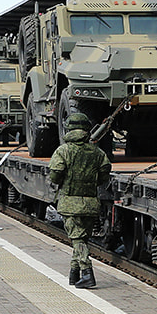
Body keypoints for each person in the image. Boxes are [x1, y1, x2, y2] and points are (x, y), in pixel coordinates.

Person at [48, 112, 111, 288]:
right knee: (82, 239)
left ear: (68, 129)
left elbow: (55, 175)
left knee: (77, 239)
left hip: (70, 202)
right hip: (90, 202)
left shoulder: (63, 150)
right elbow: (105, 171)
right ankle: (74, 273)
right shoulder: (97, 152)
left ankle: (87, 272)